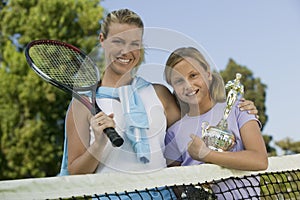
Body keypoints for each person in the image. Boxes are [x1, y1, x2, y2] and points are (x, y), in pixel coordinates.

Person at [59, 8, 260, 199]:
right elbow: (76, 174)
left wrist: (235, 112)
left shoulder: (159, 94)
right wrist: (99, 144)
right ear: (102, 41)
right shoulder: (83, 104)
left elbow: (192, 127)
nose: (126, 51)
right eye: (118, 41)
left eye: (134, 43)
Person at [163, 47, 268, 199]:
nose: (188, 85)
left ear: (208, 75)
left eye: (193, 75)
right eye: (179, 81)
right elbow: (177, 186)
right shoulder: (173, 133)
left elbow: (259, 160)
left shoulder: (239, 109)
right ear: (172, 86)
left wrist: (207, 155)